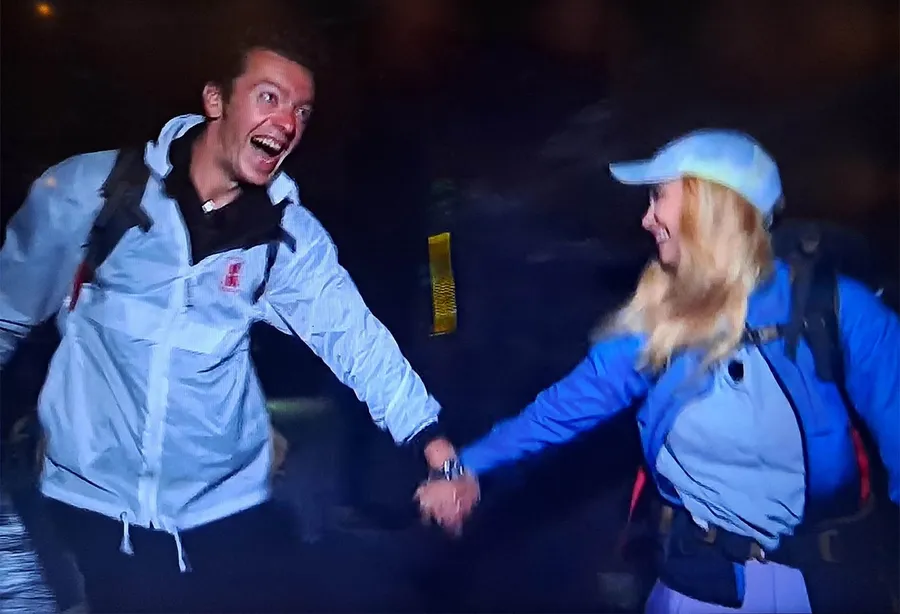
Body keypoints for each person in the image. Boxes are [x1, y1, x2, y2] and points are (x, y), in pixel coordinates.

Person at [0, 29, 469, 614]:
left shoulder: (285, 238)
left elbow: (355, 339)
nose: (288, 122)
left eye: (301, 111)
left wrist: (438, 450)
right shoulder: (94, 193)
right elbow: (7, 309)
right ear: (215, 100)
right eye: (269, 97)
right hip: (96, 511)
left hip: (227, 513)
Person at [416, 130, 899, 613]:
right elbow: (560, 410)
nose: (646, 219)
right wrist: (464, 468)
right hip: (700, 588)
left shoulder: (837, 310)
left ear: (708, 205)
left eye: (658, 196)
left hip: (827, 590)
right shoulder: (654, 326)